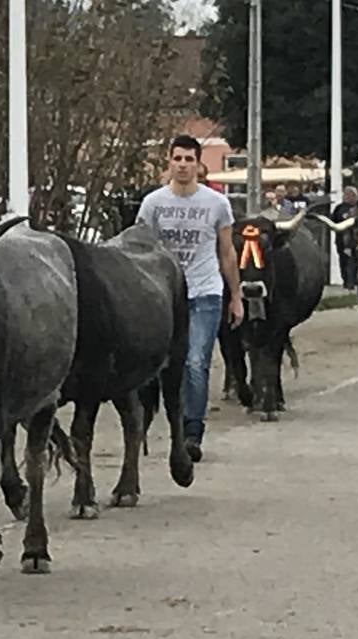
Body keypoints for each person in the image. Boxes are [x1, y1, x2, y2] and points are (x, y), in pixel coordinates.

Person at [137, 134, 243, 463]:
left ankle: (192, 431)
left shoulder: (216, 204)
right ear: (169, 162)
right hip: (162, 296)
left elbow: (226, 253)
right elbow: (139, 249)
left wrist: (235, 295)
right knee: (156, 365)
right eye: (177, 159)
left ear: (199, 165)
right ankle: (145, 423)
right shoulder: (153, 204)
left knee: (196, 362)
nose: (183, 165)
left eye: (189, 160)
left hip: (204, 292)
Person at [333, 186, 358, 289]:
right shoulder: (339, 208)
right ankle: (345, 281)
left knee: (353, 261)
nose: (346, 196)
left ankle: (352, 282)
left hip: (356, 239)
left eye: (349, 194)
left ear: (354, 196)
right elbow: (334, 220)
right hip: (341, 239)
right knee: (343, 261)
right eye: (345, 194)